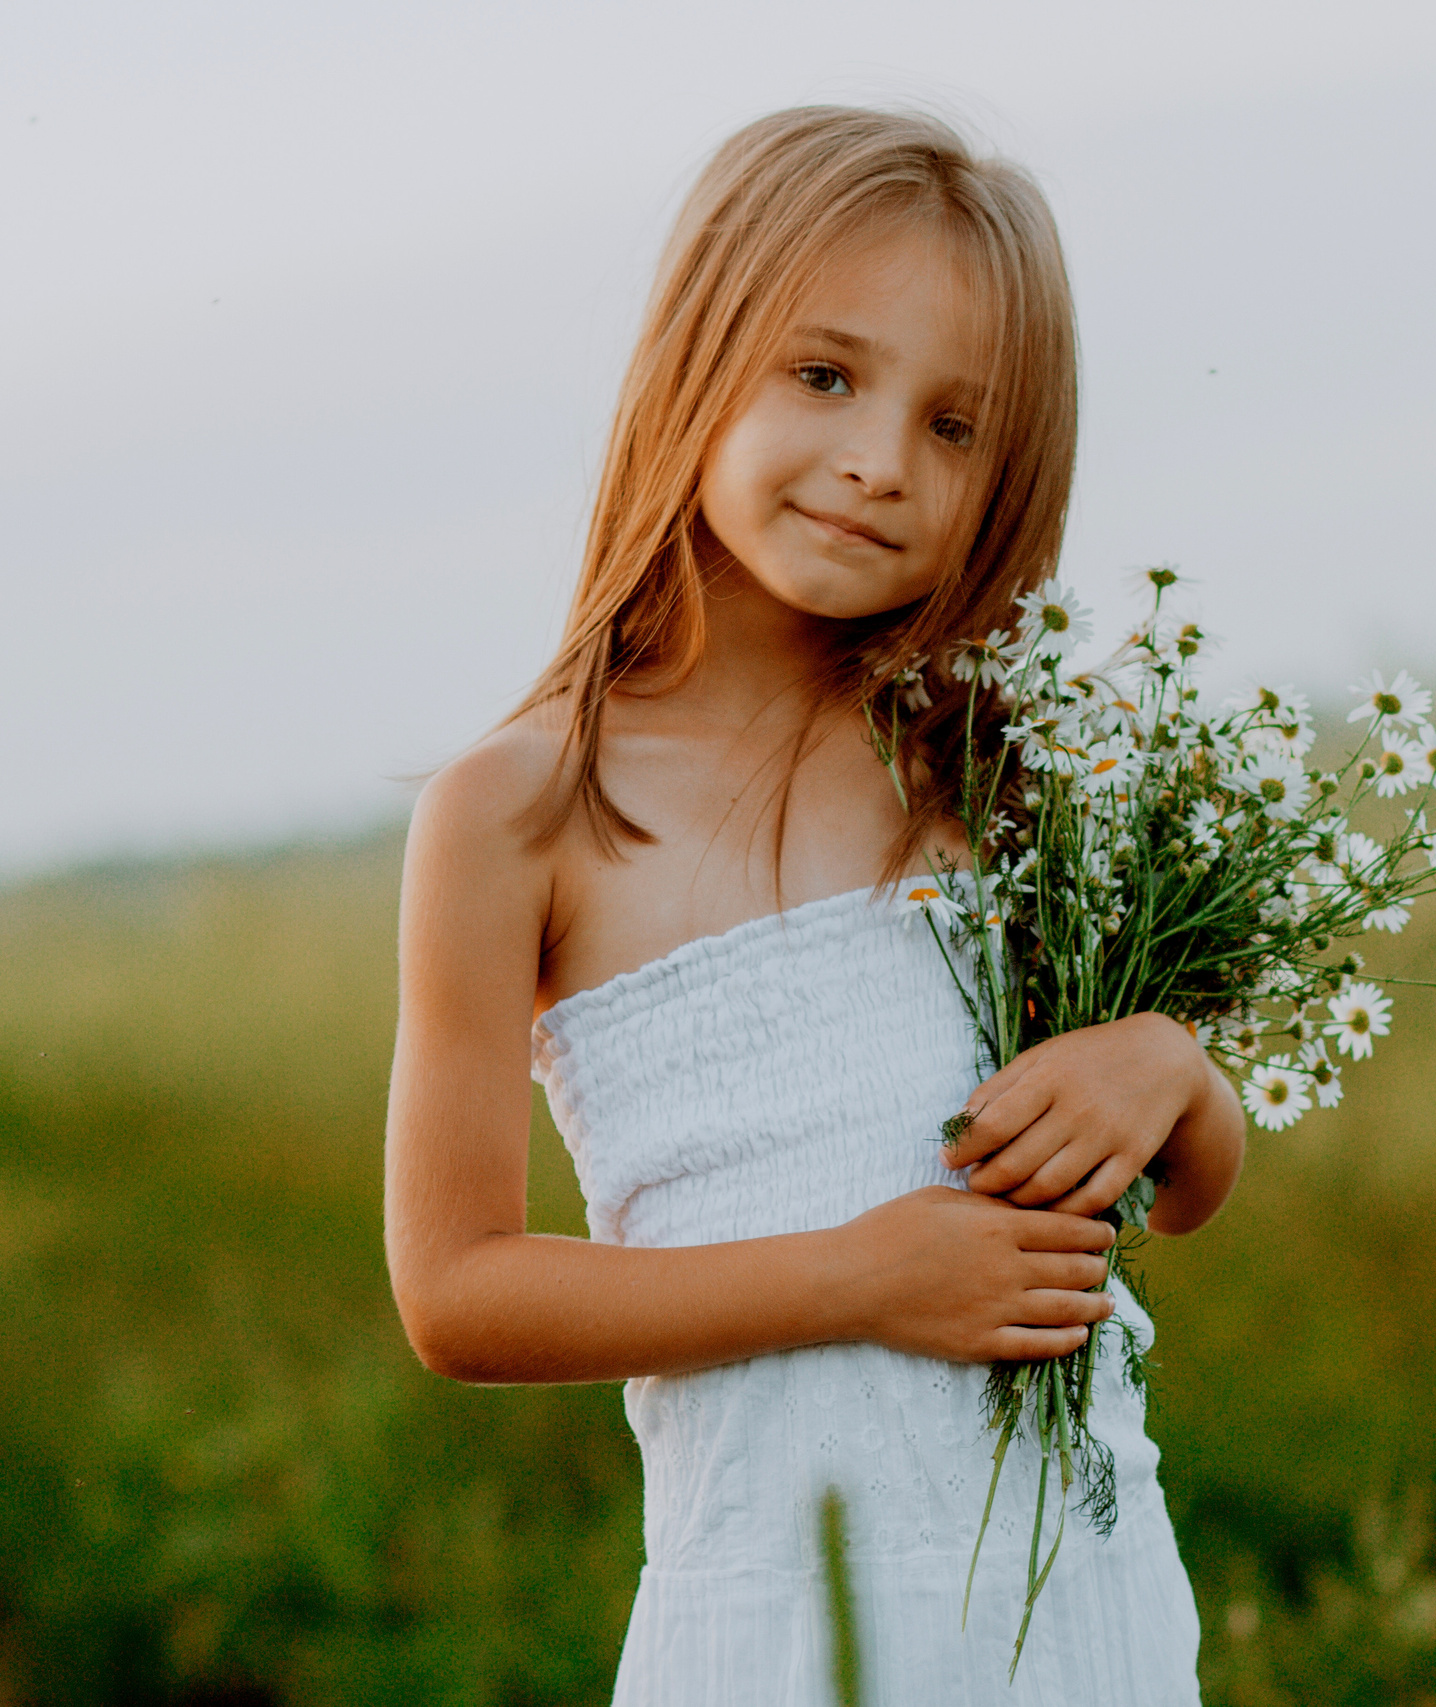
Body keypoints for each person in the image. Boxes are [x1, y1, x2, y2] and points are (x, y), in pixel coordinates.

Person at [384, 106, 1244, 1705]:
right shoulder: (516, 811)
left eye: (955, 429)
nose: (878, 464)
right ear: (696, 356)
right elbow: (458, 1293)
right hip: (772, 1617)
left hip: (1084, 1610)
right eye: (826, 375)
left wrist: (1171, 1068)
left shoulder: (1000, 772)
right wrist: (863, 1277)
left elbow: (1177, 1200)